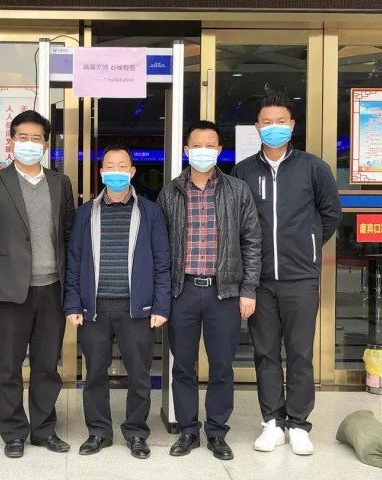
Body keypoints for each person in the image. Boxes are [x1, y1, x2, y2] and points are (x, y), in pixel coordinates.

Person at [231, 91, 342, 456]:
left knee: (299, 353)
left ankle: (298, 423)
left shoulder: (313, 168)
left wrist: (307, 245)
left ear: (292, 125)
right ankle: (272, 422)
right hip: (259, 280)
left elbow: (331, 214)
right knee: (265, 353)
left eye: (281, 122)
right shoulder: (244, 171)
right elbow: (237, 224)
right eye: (267, 122)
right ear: (257, 127)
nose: (274, 127)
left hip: (300, 279)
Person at [0, 109, 76, 459]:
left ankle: (44, 429)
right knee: (9, 366)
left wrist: (72, 286)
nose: (29, 144)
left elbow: (69, 234)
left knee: (46, 366)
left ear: (46, 144)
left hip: (52, 288)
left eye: (36, 139)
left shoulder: (60, 183)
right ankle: (14, 432)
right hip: (8, 290)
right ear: (11, 141)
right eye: (23, 137)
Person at [157, 120, 261, 461]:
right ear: (187, 150)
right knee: (182, 366)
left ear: (219, 150)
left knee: (222, 366)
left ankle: (217, 431)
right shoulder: (170, 192)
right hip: (182, 291)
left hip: (224, 292)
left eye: (210, 145)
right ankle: (188, 430)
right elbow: (160, 249)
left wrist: (248, 288)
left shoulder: (237, 190)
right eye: (197, 146)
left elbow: (251, 241)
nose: (203, 151)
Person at [64, 145, 171, 460]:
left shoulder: (150, 212)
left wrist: (161, 306)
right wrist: (73, 303)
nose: (116, 171)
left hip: (137, 308)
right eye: (109, 166)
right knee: (94, 373)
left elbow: (162, 262)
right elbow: (74, 260)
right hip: (94, 308)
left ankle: (136, 432)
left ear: (132, 171)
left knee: (139, 374)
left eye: (122, 166)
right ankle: (98, 431)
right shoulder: (86, 213)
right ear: (101, 172)